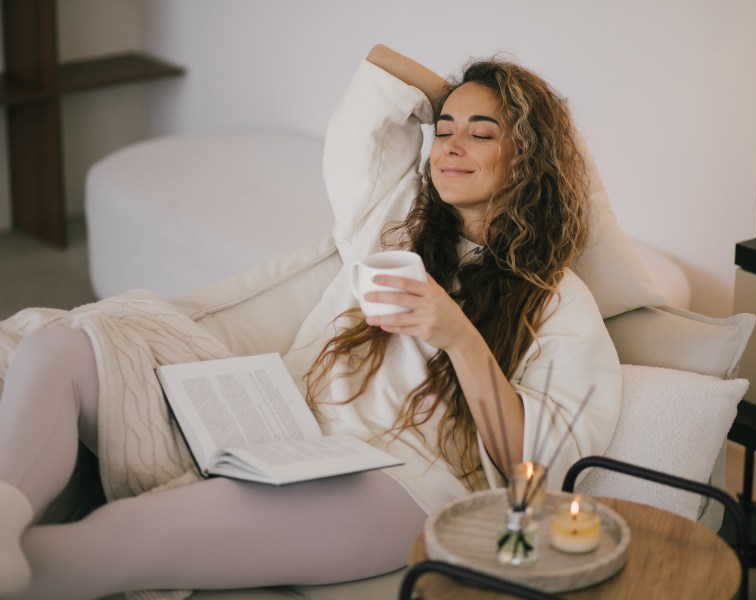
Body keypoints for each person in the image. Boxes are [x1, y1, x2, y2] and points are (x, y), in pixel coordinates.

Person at [0, 44, 621, 599]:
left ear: (529, 158)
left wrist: (458, 336)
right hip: (278, 421)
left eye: (482, 134)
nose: (449, 146)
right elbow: (373, 91)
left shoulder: (557, 301)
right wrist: (461, 99)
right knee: (61, 348)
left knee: (119, 538)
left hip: (391, 482)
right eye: (443, 130)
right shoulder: (396, 224)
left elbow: (535, 467)